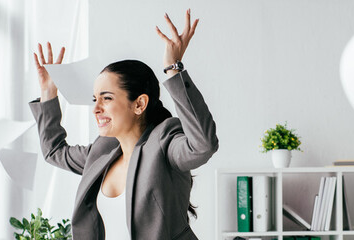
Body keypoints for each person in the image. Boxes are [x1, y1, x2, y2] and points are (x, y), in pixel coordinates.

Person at [29, 9, 216, 240]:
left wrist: (173, 68)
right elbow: (54, 151)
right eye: (94, 99)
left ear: (139, 104)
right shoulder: (103, 151)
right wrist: (48, 93)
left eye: (106, 98)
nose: (96, 108)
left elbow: (203, 145)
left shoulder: (165, 142)